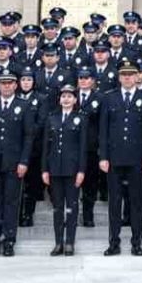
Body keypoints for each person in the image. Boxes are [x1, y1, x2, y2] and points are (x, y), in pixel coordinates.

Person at [98, 60, 142, 256]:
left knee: (137, 203)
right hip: (114, 159)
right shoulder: (109, 97)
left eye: (131, 74)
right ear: (119, 77)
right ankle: (113, 243)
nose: (128, 78)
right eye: (124, 74)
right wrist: (103, 156)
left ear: (137, 76)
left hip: (137, 159)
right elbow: (104, 130)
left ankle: (136, 243)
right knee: (114, 203)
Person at [0, 72, 34, 257]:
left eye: (10, 83)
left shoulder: (24, 106)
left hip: (13, 163)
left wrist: (24, 161)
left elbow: (28, 136)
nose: (7, 86)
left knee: (11, 203)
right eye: (3, 83)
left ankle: (9, 240)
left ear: (16, 85)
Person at [43, 84, 88, 256]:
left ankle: (69, 242)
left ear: (75, 99)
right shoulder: (51, 118)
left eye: (70, 96)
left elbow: (83, 147)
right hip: (55, 169)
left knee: (72, 207)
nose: (66, 99)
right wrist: (44, 169)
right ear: (59, 99)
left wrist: (81, 171)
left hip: (72, 170)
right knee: (57, 208)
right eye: (63, 96)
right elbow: (46, 147)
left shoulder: (81, 118)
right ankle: (58, 243)